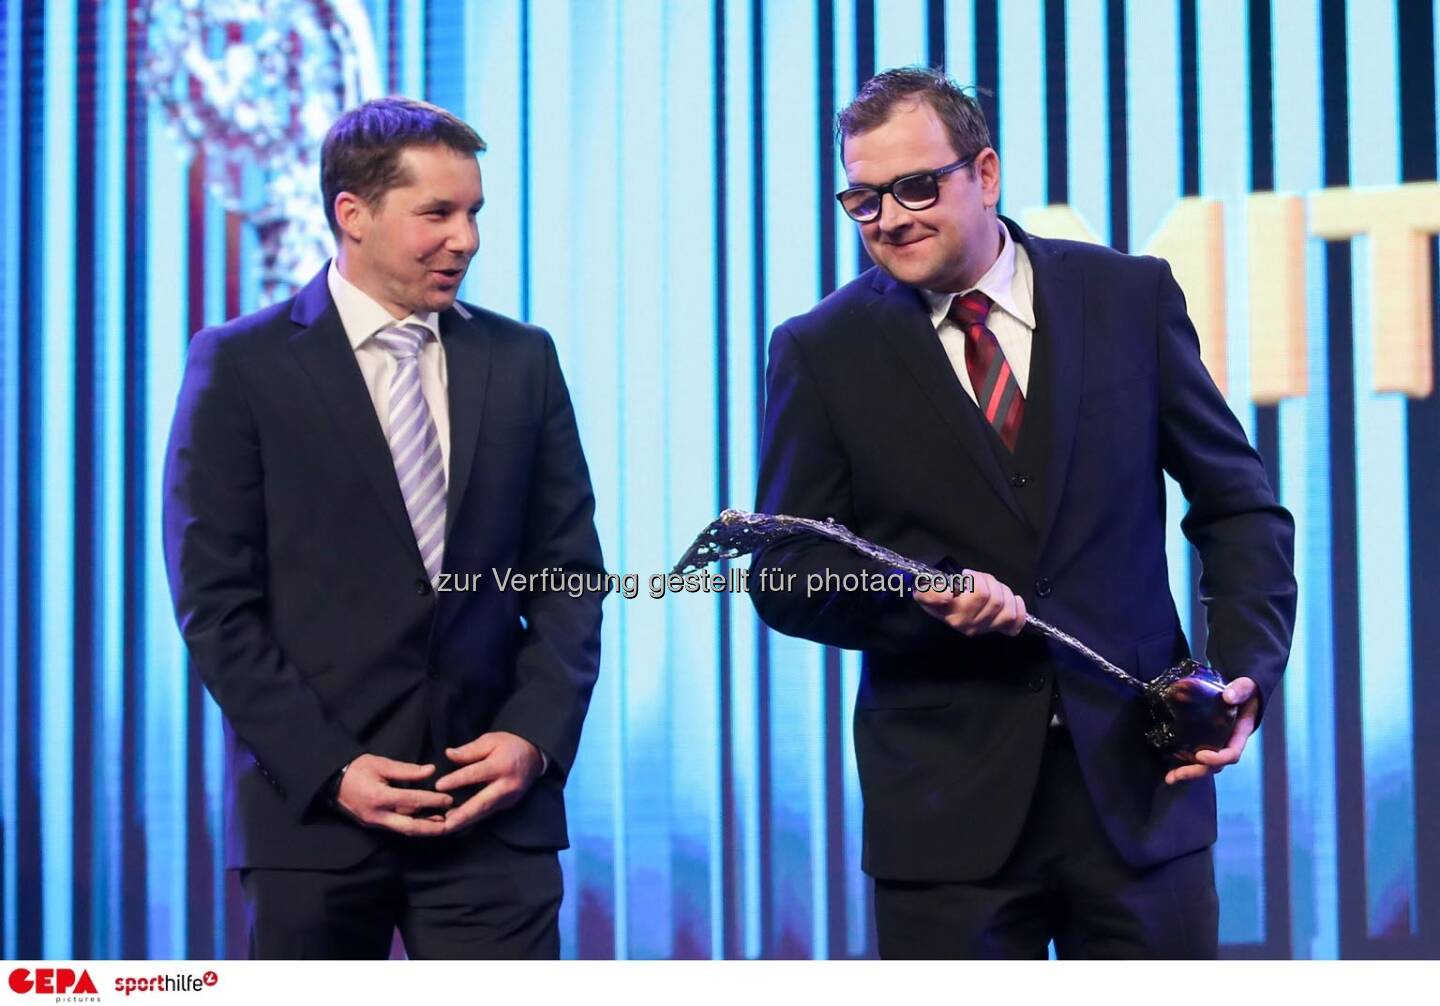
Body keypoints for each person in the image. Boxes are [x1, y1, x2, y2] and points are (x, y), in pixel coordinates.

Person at [750, 68, 1295, 959]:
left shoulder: (1129, 297)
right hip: (944, 822)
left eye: (916, 187)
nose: (888, 218)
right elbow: (785, 575)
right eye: (862, 199)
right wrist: (915, 599)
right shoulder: (818, 349)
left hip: (1140, 792)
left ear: (987, 173)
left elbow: (1239, 507)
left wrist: (1241, 675)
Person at [162, 97, 605, 959]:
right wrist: (329, 768)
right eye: (437, 213)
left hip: (492, 819)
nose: (466, 239)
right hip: (313, 824)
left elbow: (570, 576)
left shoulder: (522, 360)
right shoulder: (240, 365)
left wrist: (533, 738)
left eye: (473, 211)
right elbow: (215, 604)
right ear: (352, 215)